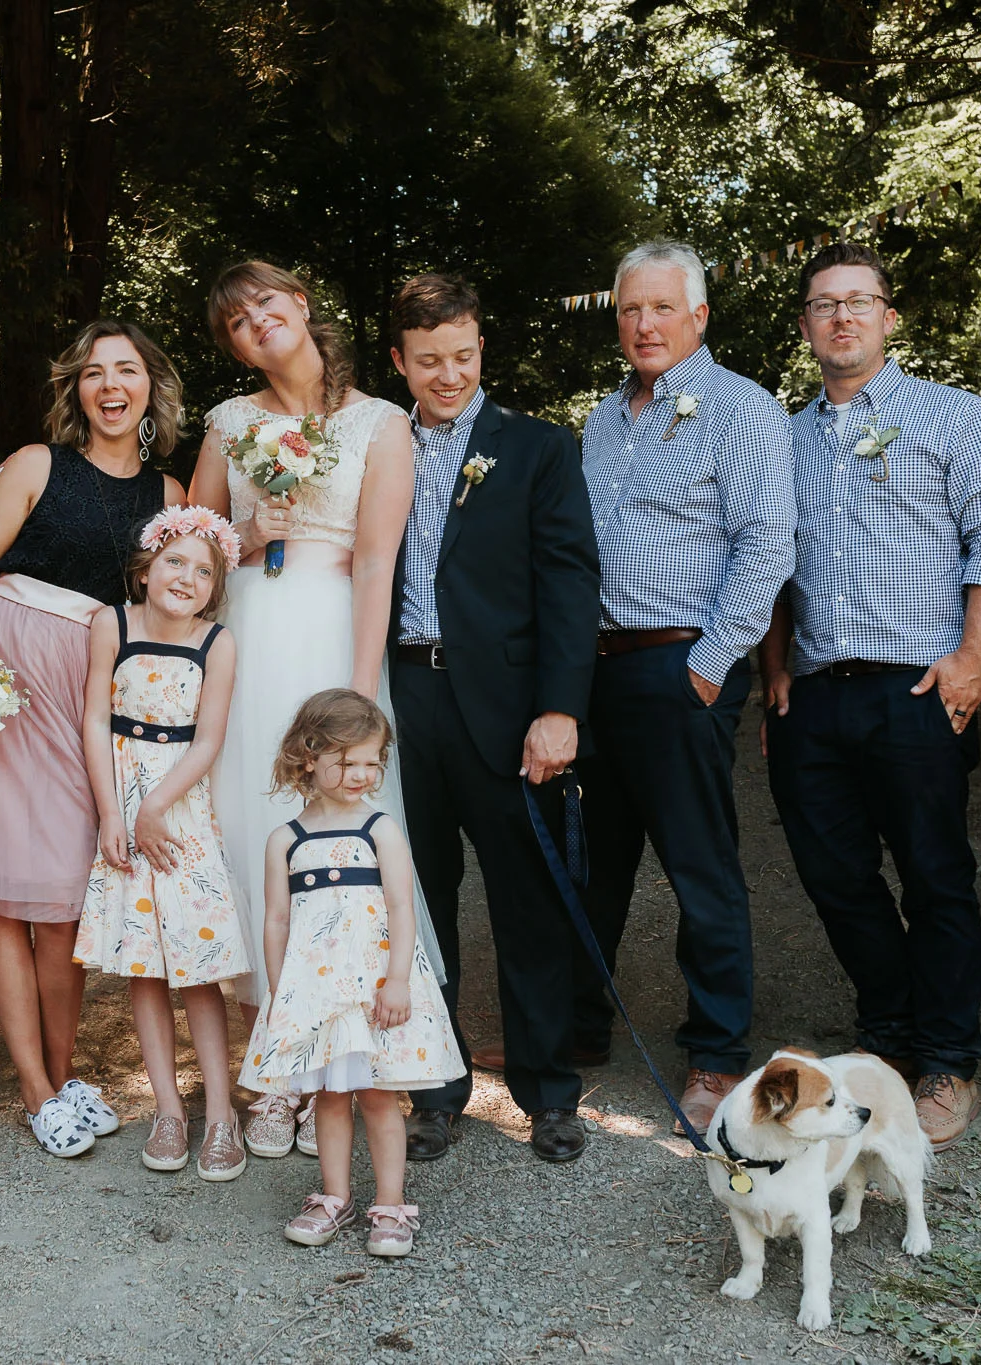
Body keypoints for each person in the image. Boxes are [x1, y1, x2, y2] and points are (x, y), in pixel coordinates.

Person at [758, 241, 981, 1153]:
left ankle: (948, 1057)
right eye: (824, 304)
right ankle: (890, 1028)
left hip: (918, 688)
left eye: (859, 302)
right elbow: (769, 562)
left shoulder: (952, 417)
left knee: (935, 874)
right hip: (815, 697)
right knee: (835, 877)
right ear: (805, 325)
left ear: (889, 317)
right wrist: (775, 669)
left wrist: (974, 658)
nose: (842, 317)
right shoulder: (781, 437)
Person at [189, 260, 441, 1162]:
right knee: (254, 823)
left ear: (300, 303)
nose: (257, 324)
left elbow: (376, 562)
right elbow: (192, 550)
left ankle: (343, 1052)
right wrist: (249, 534)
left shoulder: (381, 423)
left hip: (334, 632)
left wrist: (361, 691)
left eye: (266, 304)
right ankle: (273, 1068)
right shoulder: (228, 423)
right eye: (237, 322)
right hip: (252, 631)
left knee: (340, 836)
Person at [0, 319, 184, 1157]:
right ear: (76, 388)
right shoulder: (37, 467)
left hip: (92, 688)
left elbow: (180, 601)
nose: (110, 386)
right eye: (93, 373)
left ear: (151, 384)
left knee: (68, 893)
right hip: (7, 675)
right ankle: (38, 1089)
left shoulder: (172, 497)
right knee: (9, 894)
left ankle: (64, 1067)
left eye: (127, 370)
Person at [378, 275, 603, 1165]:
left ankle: (549, 1092)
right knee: (417, 897)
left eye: (463, 357)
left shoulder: (539, 447)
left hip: (509, 705)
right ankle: (434, 1087)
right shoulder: (372, 444)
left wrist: (559, 708)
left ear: (482, 349)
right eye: (428, 360)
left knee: (529, 896)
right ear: (399, 360)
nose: (448, 376)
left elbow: (570, 580)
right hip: (402, 696)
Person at [578, 239, 796, 1133]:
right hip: (597, 670)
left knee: (698, 865)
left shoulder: (740, 408)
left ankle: (716, 1053)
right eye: (631, 309)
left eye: (663, 308)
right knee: (596, 863)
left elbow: (768, 542)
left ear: (699, 316)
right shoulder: (602, 418)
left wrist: (708, 666)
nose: (644, 324)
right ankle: (576, 1026)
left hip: (681, 665)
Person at [242, 690, 463, 1258]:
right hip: (316, 995)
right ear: (308, 755)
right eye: (347, 761)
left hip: (372, 991)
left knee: (379, 1096)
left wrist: (396, 980)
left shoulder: (381, 830)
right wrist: (277, 993)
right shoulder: (285, 841)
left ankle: (390, 1206)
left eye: (372, 762)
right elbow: (274, 920)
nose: (362, 774)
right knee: (329, 1099)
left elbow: (401, 908)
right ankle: (333, 1197)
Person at [75, 507, 250, 1176]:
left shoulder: (218, 643)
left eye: (204, 571)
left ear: (214, 589)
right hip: (120, 798)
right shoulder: (110, 625)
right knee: (143, 964)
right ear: (147, 569)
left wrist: (155, 805)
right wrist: (112, 813)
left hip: (180, 808)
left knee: (198, 966)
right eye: (176, 561)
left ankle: (224, 1116)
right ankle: (170, 1111)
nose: (188, 576)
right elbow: (94, 717)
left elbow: (208, 739)